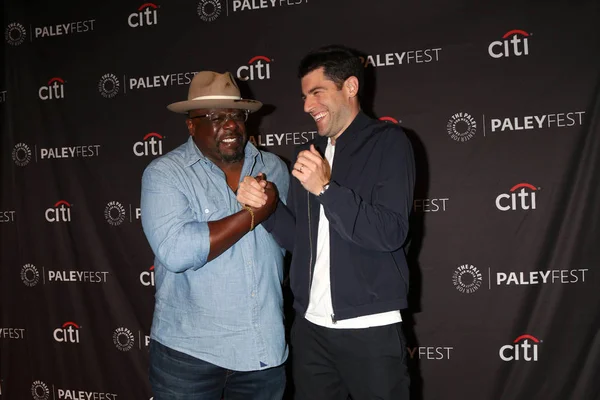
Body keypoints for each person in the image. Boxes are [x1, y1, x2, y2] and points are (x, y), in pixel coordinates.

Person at [237, 45, 415, 400]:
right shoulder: (312, 152)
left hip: (370, 328)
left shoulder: (389, 143)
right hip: (310, 330)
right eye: (304, 96)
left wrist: (326, 188)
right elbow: (302, 242)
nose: (306, 106)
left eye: (317, 93)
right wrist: (266, 207)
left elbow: (390, 233)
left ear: (350, 87)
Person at [140, 70, 290, 400]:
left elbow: (295, 241)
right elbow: (176, 252)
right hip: (189, 357)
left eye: (236, 114)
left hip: (262, 352)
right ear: (191, 124)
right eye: (215, 116)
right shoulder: (165, 174)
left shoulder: (276, 169)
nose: (230, 124)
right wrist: (254, 214)